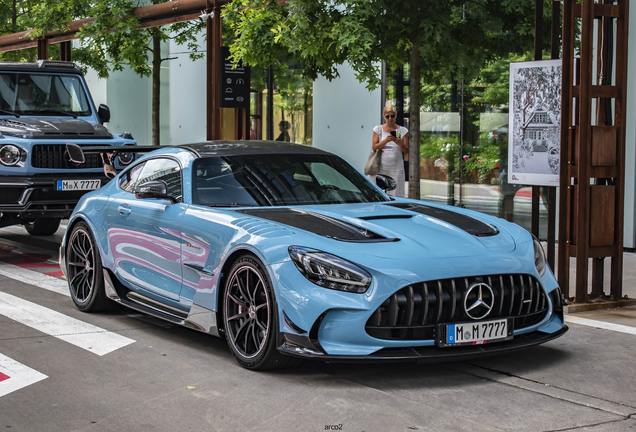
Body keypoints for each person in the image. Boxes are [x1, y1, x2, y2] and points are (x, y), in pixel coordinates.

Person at [371, 102, 409, 197]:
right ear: (384, 116)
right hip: (381, 167)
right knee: (381, 194)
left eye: (392, 116)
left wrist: (400, 143)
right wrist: (385, 141)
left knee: (397, 194)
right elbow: (374, 148)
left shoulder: (402, 130)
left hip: (397, 168)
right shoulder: (378, 129)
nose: (390, 119)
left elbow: (407, 151)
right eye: (387, 116)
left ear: (395, 116)